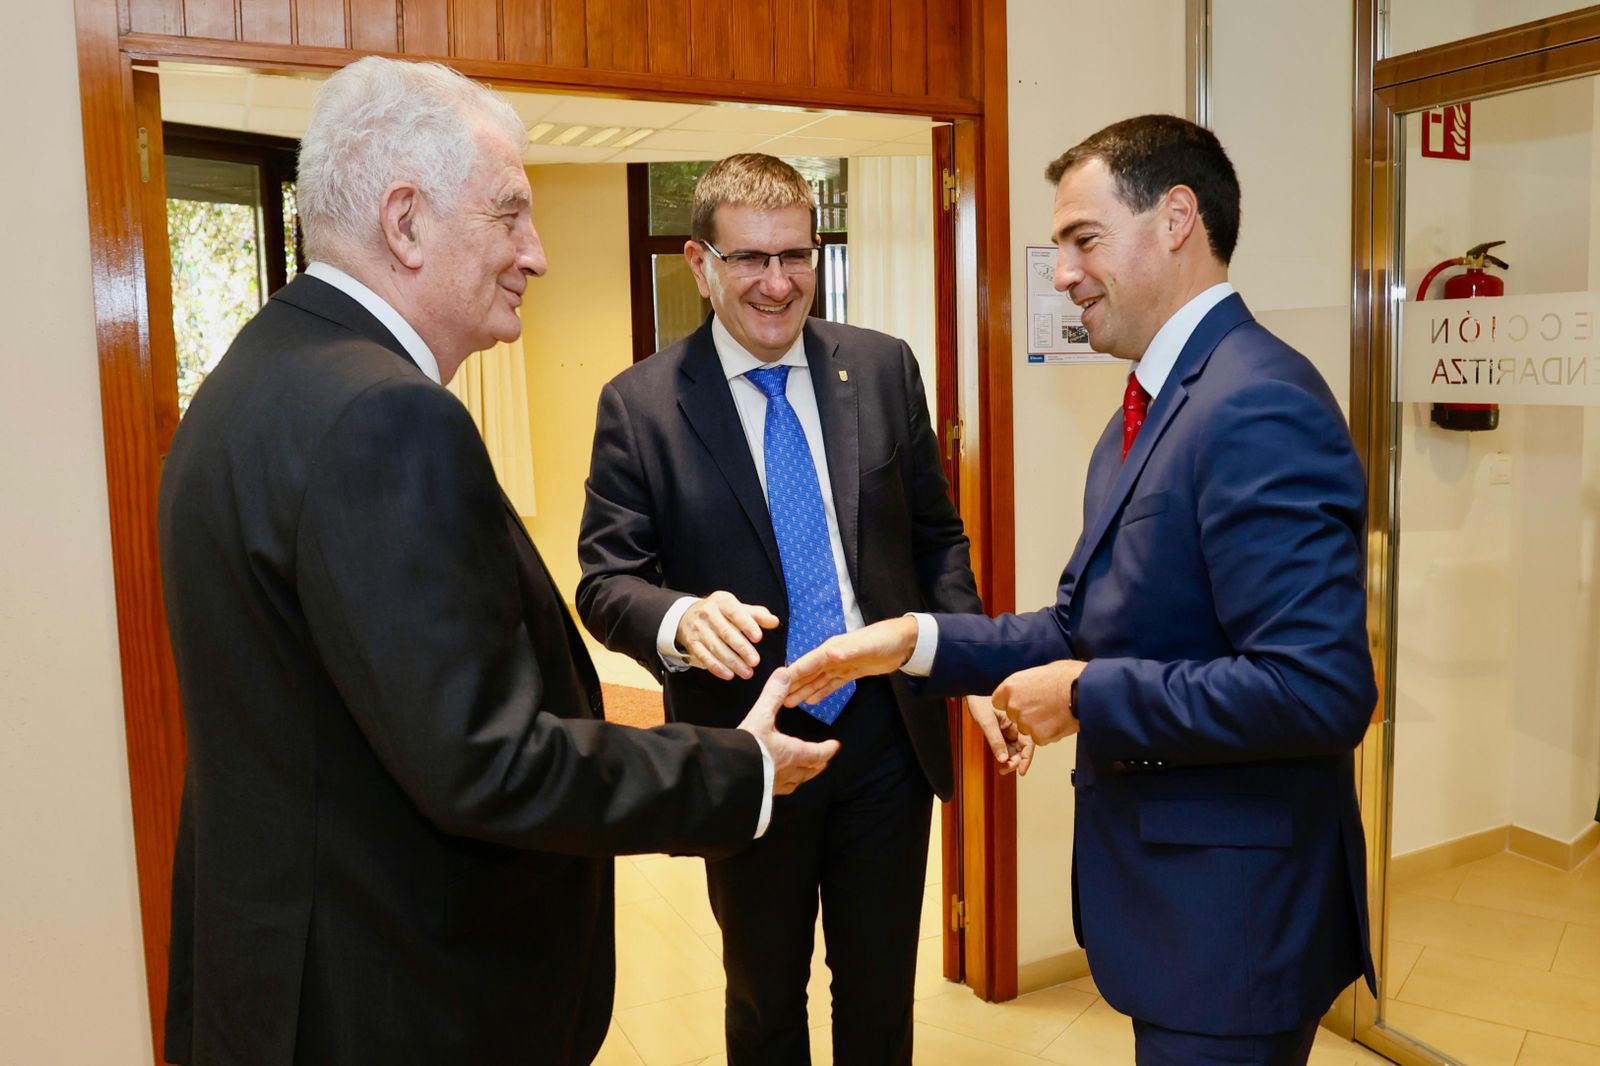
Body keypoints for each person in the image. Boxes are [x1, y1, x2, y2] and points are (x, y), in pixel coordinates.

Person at [158, 57, 839, 1066]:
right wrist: (732, 767)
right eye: (511, 215)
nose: (537, 254)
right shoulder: (385, 416)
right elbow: (484, 758)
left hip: (283, 985)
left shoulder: (253, 377)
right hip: (394, 999)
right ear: (406, 222)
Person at [786, 115, 1379, 1066]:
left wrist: (1081, 694)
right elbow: (1082, 623)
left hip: (1236, 928)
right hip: (1181, 915)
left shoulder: (1254, 401)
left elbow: (1316, 689)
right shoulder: (1143, 411)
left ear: (1177, 218)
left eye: (1082, 239)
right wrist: (912, 641)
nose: (1060, 273)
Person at [575, 153, 1006, 1065]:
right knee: (766, 998)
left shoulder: (883, 370)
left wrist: (968, 663)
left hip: (886, 732)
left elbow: (936, 539)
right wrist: (679, 620)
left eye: (796, 256)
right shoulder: (642, 406)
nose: (778, 284)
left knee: (882, 993)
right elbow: (607, 580)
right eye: (748, 260)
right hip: (748, 745)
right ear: (700, 263)